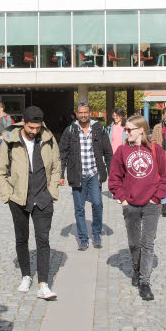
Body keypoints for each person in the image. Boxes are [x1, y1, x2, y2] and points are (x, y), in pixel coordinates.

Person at [0, 105, 60, 300]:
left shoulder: (48, 138)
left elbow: (56, 166)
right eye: (31, 127)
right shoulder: (10, 139)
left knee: (43, 240)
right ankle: (26, 275)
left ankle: (43, 284)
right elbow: (1, 170)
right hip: (18, 198)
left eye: (37, 128)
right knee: (21, 239)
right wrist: (7, 195)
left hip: (43, 198)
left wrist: (52, 191)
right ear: (23, 122)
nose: (34, 131)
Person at [108, 114, 166, 301]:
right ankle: (136, 269)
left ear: (141, 130)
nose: (126, 133)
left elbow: (165, 177)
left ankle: (145, 282)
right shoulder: (122, 151)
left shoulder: (155, 149)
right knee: (134, 243)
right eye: (125, 129)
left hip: (151, 205)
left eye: (129, 129)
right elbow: (114, 178)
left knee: (147, 244)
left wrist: (156, 198)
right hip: (131, 205)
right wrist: (123, 199)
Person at [59, 102, 113, 251]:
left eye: (86, 112)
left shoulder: (99, 129)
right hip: (77, 175)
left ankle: (96, 233)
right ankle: (83, 238)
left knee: (97, 203)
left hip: (94, 173)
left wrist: (112, 172)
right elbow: (62, 154)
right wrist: (60, 174)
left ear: (90, 113)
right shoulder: (70, 130)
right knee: (79, 208)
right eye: (80, 113)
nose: (83, 115)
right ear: (77, 114)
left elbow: (108, 152)